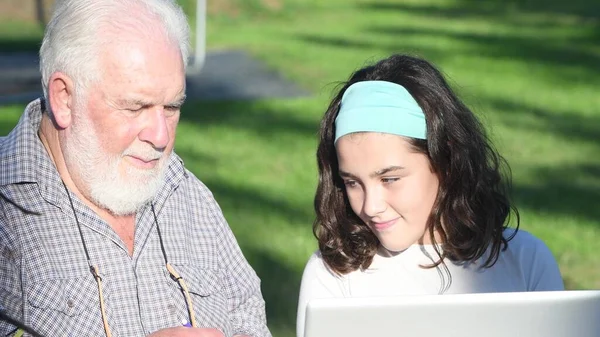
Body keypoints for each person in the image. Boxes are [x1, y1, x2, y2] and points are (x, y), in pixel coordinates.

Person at [0, 0, 271, 336]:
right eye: (135, 107)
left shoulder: (187, 194)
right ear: (64, 98)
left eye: (172, 107)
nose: (161, 137)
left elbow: (250, 320)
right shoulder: (8, 207)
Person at [296, 54, 564, 337]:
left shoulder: (525, 261)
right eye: (352, 182)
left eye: (390, 179)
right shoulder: (334, 276)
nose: (371, 206)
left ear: (446, 160)